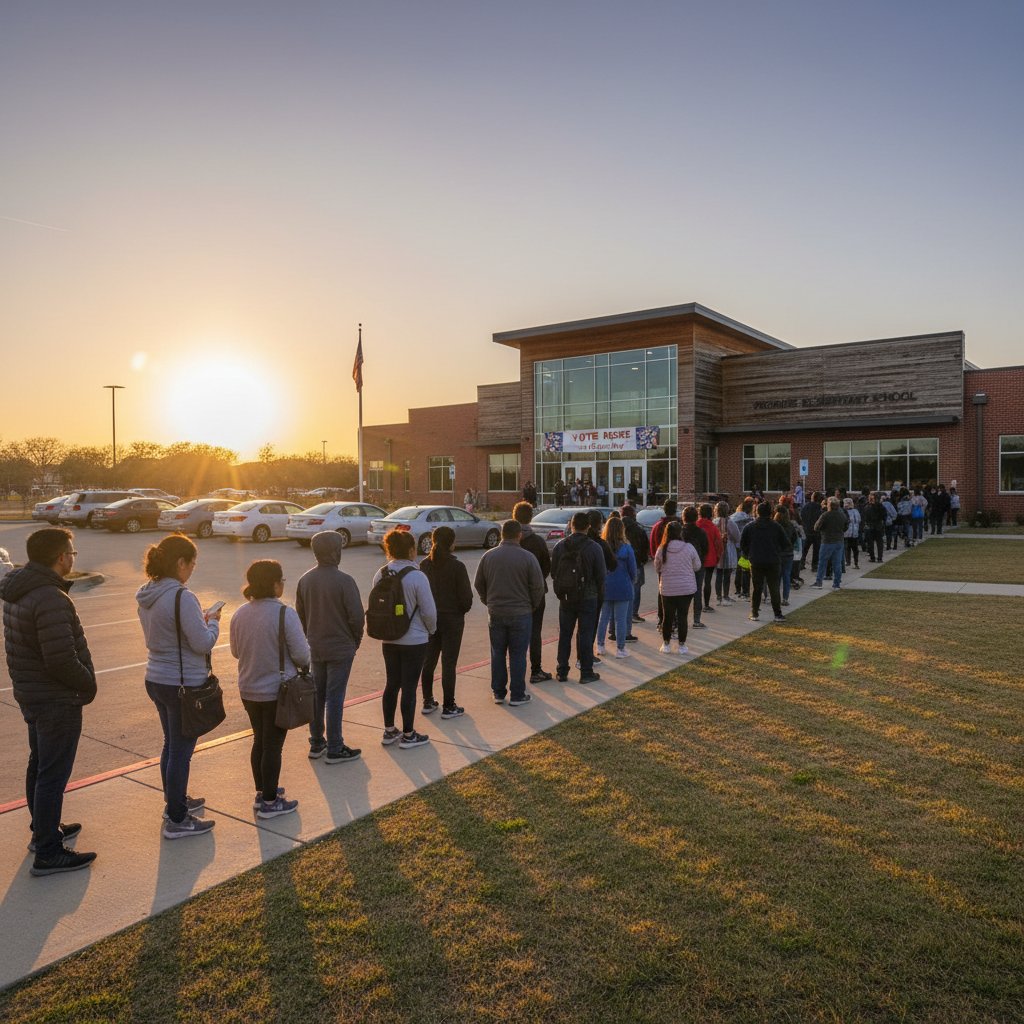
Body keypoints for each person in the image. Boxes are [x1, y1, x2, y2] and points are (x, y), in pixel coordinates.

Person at [1, 528, 97, 875]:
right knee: (52, 775)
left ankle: (41, 831)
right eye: (71, 553)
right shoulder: (50, 597)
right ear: (60, 557)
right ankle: (48, 851)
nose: (73, 558)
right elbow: (60, 658)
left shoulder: (19, 589)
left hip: (32, 694)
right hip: (55, 699)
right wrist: (88, 684)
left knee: (39, 765)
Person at [137, 534, 221, 839]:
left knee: (171, 745)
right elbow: (201, 643)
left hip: (156, 677)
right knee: (181, 752)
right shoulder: (182, 596)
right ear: (180, 562)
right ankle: (177, 818)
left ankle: (174, 801)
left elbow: (166, 633)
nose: (193, 569)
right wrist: (212, 623)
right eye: (192, 563)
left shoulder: (148, 593)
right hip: (181, 683)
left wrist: (196, 621)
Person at [230, 560, 309, 818]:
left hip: (248, 688)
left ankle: (263, 790)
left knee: (260, 741)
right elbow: (301, 655)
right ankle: (270, 801)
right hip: (276, 690)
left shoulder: (240, 613)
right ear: (275, 584)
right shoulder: (284, 614)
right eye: (282, 581)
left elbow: (235, 651)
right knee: (273, 745)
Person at [296, 531, 365, 762]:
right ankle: (335, 746)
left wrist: (310, 636)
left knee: (318, 695)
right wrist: (355, 641)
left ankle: (317, 742)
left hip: (315, 645)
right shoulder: (345, 581)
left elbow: (301, 615)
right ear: (335, 552)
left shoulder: (305, 580)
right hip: (340, 647)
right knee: (335, 697)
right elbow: (356, 616)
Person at [373, 529, 438, 748]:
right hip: (414, 639)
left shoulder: (380, 574)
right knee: (409, 686)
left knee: (392, 684)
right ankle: (409, 734)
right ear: (411, 550)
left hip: (389, 638)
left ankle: (389, 730)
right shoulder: (417, 576)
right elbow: (429, 611)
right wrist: (431, 629)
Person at [474, 519, 545, 706]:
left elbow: (479, 584)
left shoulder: (488, 557)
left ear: (501, 535)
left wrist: (488, 601)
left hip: (496, 612)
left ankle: (498, 692)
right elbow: (538, 587)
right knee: (518, 654)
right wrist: (531, 606)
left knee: (498, 653)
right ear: (519, 535)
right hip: (521, 612)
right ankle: (517, 694)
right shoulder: (528, 558)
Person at [419, 526, 473, 717]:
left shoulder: (425, 565)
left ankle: (427, 701)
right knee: (448, 663)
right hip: (452, 619)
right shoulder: (457, 566)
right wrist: (460, 610)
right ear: (451, 543)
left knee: (429, 661)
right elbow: (467, 598)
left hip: (430, 618)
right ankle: (449, 705)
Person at [551, 511, 607, 683]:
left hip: (566, 596)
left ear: (571, 525)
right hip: (588, 596)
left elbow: (554, 573)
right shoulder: (594, 547)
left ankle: (562, 671)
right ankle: (586, 671)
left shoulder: (560, 546)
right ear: (588, 526)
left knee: (565, 634)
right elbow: (601, 575)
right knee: (585, 633)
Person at [511, 501, 553, 684]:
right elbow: (546, 567)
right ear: (530, 517)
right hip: (535, 594)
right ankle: (536, 670)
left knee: (513, 634)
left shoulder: (507, 542)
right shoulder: (537, 541)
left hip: (513, 593)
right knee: (534, 633)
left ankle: (514, 672)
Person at [653, 521, 702, 654]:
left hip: (668, 588)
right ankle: (682, 645)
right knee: (683, 616)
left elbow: (657, 568)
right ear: (680, 532)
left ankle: (666, 644)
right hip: (686, 588)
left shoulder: (662, 549)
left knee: (667, 617)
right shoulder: (689, 547)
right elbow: (697, 566)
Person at [597, 517, 637, 659]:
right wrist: (632, 580)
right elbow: (633, 569)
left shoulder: (601, 547)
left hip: (605, 585)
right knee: (621, 619)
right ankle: (620, 649)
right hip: (623, 585)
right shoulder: (626, 548)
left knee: (604, 617)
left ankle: (600, 645)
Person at [740, 502, 788, 621]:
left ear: (757, 512)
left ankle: (754, 612)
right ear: (770, 513)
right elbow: (786, 543)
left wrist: (748, 554)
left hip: (756, 560)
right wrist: (778, 551)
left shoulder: (750, 527)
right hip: (773, 560)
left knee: (757, 588)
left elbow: (743, 544)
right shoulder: (776, 526)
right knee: (774, 588)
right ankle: (777, 614)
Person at [620, 504, 649, 622]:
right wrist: (643, 560)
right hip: (637, 562)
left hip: (620, 564)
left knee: (623, 589)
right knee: (636, 588)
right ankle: (633, 613)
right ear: (632, 514)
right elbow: (645, 546)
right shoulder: (638, 529)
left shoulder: (616, 527)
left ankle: (623, 613)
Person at [812, 498, 849, 590]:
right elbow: (846, 527)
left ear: (829, 505)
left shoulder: (825, 515)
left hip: (827, 541)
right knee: (837, 563)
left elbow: (816, 527)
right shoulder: (842, 515)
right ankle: (836, 584)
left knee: (822, 562)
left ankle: (819, 582)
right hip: (839, 541)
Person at [696, 503, 724, 617]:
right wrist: (717, 556)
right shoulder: (713, 527)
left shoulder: (696, 525)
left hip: (697, 558)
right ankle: (706, 605)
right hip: (710, 558)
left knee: (697, 583)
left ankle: (697, 605)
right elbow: (719, 545)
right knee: (707, 582)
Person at [713, 500, 739, 605]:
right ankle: (726, 596)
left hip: (717, 550)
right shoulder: (730, 522)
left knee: (719, 574)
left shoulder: (714, 521)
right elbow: (737, 537)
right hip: (728, 549)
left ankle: (719, 596)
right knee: (727, 574)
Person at [773, 505, 798, 607]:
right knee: (786, 576)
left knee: (777, 577)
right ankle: (785, 598)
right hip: (788, 553)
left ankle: (776, 598)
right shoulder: (790, 525)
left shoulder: (775, 525)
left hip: (777, 553)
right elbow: (795, 538)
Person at [731, 498, 756, 598]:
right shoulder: (750, 519)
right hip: (745, 546)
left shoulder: (733, 517)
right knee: (745, 569)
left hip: (735, 545)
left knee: (738, 568)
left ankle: (737, 589)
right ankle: (745, 591)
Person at [862, 492, 886, 563]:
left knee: (871, 543)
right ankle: (879, 558)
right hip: (877, 525)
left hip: (871, 526)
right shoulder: (880, 506)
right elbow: (884, 515)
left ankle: (873, 557)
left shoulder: (867, 506)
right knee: (878, 543)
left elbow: (865, 516)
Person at [843, 497, 862, 569]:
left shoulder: (845, 511)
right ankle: (854, 562)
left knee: (849, 548)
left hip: (848, 532)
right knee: (853, 548)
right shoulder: (856, 511)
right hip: (854, 532)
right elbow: (859, 520)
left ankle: (849, 562)